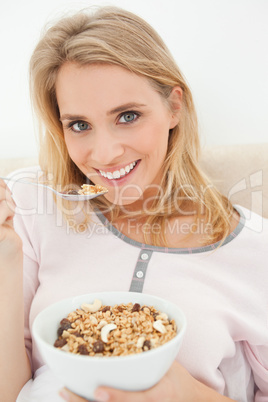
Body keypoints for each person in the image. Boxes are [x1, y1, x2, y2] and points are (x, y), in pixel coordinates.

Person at [0, 6, 267, 402]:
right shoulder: (28, 205)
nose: (104, 154)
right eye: (79, 125)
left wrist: (191, 396)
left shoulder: (255, 251)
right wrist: (5, 258)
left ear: (174, 107)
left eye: (127, 116)